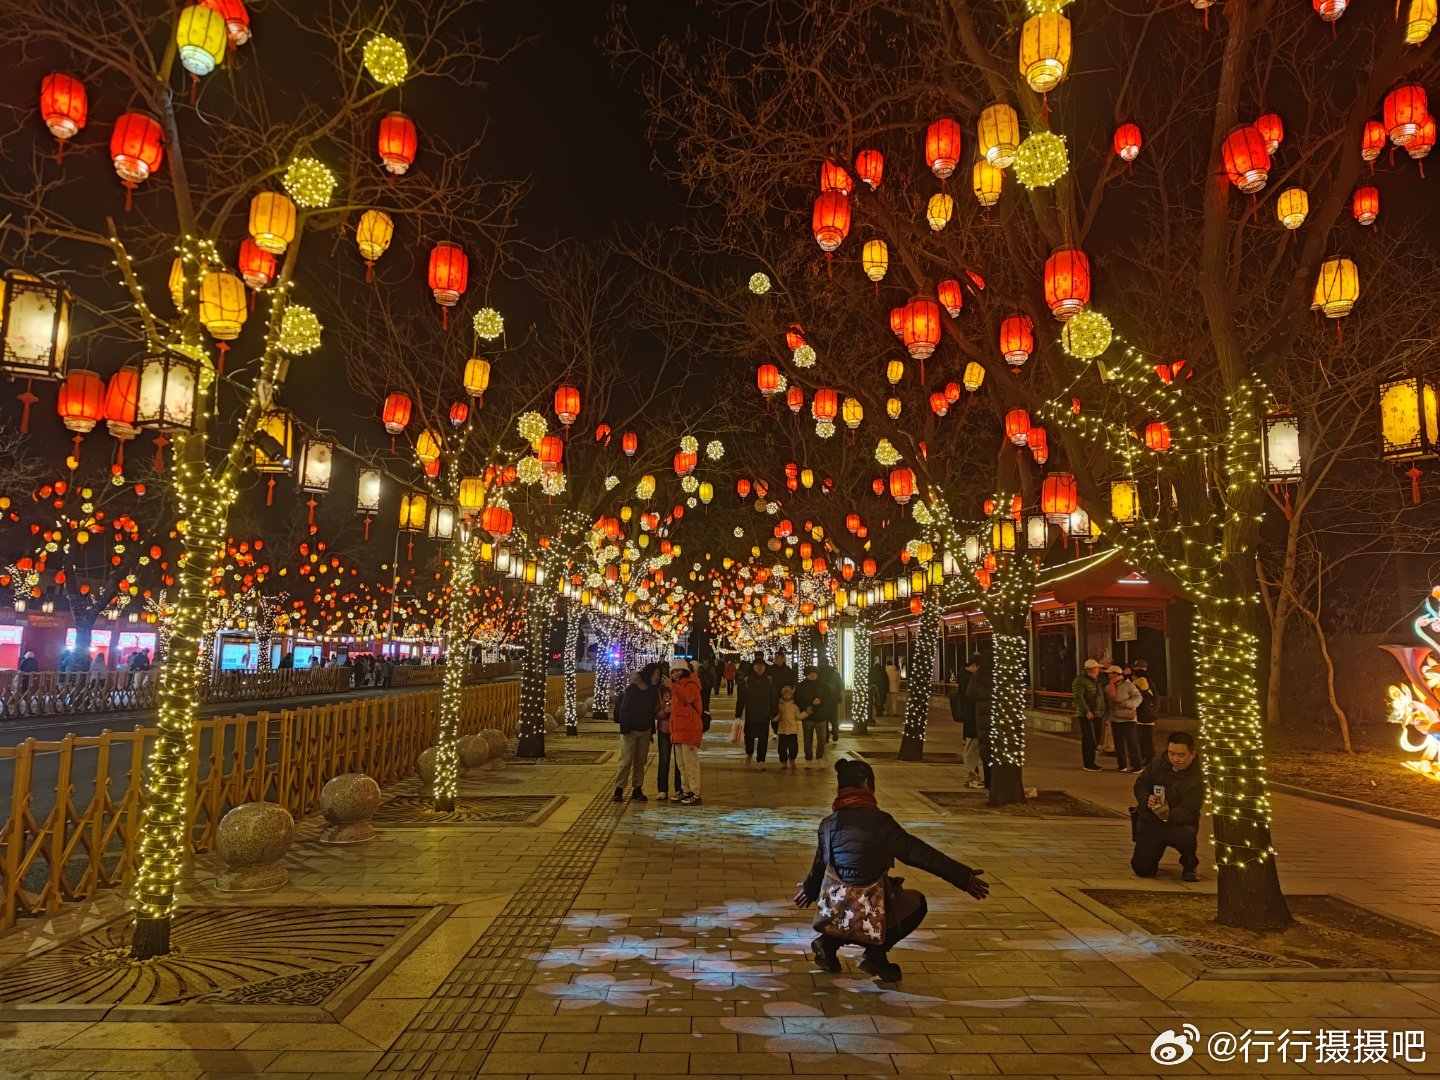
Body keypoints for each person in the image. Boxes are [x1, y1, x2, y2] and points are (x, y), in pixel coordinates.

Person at [796, 758, 989, 982]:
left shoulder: (827, 824)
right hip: (871, 910)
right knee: (916, 902)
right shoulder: (881, 823)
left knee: (849, 906)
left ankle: (827, 944)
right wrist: (962, 877)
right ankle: (876, 955)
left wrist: (810, 890)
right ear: (867, 784)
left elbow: (820, 865)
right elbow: (919, 854)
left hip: (838, 911)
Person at [1132, 731, 1204, 881]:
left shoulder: (1198, 778)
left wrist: (1166, 814)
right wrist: (1146, 799)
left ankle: (1189, 862)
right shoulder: (1158, 763)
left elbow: (1190, 809)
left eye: (1181, 755)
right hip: (1152, 820)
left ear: (1192, 754)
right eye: (1171, 754)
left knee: (1185, 836)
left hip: (1179, 823)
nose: (1175, 759)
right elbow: (1141, 785)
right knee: (1143, 869)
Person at [612, 663, 661, 803]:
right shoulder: (633, 689)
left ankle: (637, 789)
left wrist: (651, 730)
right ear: (647, 674)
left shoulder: (652, 691)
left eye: (658, 675)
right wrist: (625, 729)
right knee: (626, 761)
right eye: (653, 674)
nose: (656, 677)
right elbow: (624, 709)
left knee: (640, 761)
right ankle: (619, 788)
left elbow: (650, 713)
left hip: (644, 731)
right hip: (630, 731)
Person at [669, 660, 705, 805]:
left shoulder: (691, 684)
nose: (676, 673)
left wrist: (672, 687)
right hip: (677, 730)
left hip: (689, 730)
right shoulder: (677, 686)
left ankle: (695, 792)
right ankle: (686, 790)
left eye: (678, 670)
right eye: (673, 671)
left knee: (691, 764)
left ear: (685, 671)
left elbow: (688, 697)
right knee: (681, 765)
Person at [736, 656, 776, 767]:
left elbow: (773, 697)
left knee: (763, 739)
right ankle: (749, 753)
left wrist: (773, 711)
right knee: (749, 737)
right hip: (751, 714)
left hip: (764, 714)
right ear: (753, 667)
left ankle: (761, 760)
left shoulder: (769, 681)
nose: (759, 668)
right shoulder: (748, 680)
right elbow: (742, 698)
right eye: (757, 666)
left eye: (762, 666)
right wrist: (738, 713)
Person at [792, 666, 833, 768]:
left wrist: (821, 700)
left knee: (822, 738)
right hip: (808, 716)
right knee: (807, 738)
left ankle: (819, 757)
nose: (812, 675)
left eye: (814, 673)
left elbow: (830, 698)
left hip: (821, 716)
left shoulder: (823, 685)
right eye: (810, 673)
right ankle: (808, 759)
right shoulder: (801, 686)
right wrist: (805, 708)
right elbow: (797, 699)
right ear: (806, 675)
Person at [1106, 664, 1143, 772]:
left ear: (1117, 674)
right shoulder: (1108, 687)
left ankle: (1137, 766)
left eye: (1111, 673)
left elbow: (1138, 698)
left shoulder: (1129, 685)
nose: (1109, 676)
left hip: (1128, 719)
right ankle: (1122, 765)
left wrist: (1126, 703)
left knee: (1132, 742)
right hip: (1115, 717)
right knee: (1118, 743)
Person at [952, 658, 983, 788]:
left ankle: (973, 776)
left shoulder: (964, 678)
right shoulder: (970, 680)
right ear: (974, 665)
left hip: (971, 720)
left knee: (972, 748)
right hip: (973, 719)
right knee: (971, 749)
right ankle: (971, 777)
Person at [966, 656, 994, 788]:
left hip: (980, 718)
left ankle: (988, 781)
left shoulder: (976, 679)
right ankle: (994, 780)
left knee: (985, 751)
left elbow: (969, 696)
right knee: (994, 750)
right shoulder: (998, 679)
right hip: (995, 719)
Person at [1072, 659, 1105, 772]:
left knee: (1095, 737)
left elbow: (1100, 696)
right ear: (1090, 669)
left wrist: (1102, 710)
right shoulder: (1080, 681)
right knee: (1089, 738)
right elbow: (1079, 697)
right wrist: (1086, 710)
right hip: (1087, 714)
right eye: (1097, 668)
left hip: (1097, 713)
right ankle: (1088, 763)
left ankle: (1092, 762)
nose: (1098, 670)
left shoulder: (1096, 681)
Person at [1132, 659, 1160, 764]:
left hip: (1142, 713)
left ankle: (1144, 758)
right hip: (1150, 713)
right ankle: (1149, 758)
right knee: (1147, 738)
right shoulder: (1150, 681)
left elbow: (1131, 688)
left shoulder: (1140, 680)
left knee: (1139, 738)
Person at [774, 686, 802, 771]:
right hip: (782, 730)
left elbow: (798, 716)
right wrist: (773, 718)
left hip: (793, 730)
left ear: (792, 695)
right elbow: (777, 716)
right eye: (785, 694)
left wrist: (806, 713)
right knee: (782, 748)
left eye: (788, 694)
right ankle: (783, 762)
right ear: (782, 695)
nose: (786, 696)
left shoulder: (795, 706)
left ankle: (792, 759)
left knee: (793, 747)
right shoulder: (779, 705)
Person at [818, 660, 844, 740]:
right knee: (833, 717)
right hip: (833, 699)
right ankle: (835, 732)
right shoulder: (835, 674)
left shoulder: (818, 674)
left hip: (822, 699)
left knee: (824, 717)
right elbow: (841, 685)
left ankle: (826, 735)